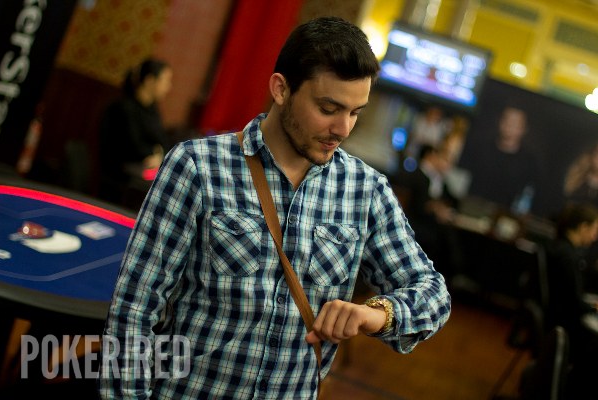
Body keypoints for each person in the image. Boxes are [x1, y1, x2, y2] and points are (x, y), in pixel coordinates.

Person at [98, 17, 451, 399]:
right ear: (281, 89)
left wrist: (375, 314)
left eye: (355, 112)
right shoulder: (197, 167)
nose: (343, 129)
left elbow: (433, 294)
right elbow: (134, 308)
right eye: (328, 108)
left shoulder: (365, 191)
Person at [98, 57, 173, 206]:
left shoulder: (152, 109)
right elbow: (133, 147)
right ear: (150, 80)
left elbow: (163, 141)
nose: (169, 87)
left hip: (142, 171)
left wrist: (159, 156)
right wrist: (154, 154)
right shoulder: (124, 108)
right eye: (166, 81)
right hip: (121, 178)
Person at [545, 203, 598, 398]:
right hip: (563, 328)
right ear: (583, 227)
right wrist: (594, 308)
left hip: (554, 322)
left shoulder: (559, 248)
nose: (595, 236)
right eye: (594, 230)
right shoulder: (567, 256)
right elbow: (574, 302)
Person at [393, 144, 460, 281]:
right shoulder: (417, 176)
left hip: (426, 222)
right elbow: (420, 206)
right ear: (432, 156)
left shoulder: (437, 179)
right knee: (443, 235)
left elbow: (451, 199)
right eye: (444, 159)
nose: (447, 164)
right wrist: (436, 210)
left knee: (447, 232)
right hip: (414, 222)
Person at [464, 106, 541, 212]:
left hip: (505, 216)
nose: (509, 125)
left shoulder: (529, 162)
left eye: (515, 123)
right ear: (500, 122)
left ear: (524, 129)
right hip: (470, 210)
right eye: (507, 120)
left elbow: (529, 196)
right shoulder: (480, 148)